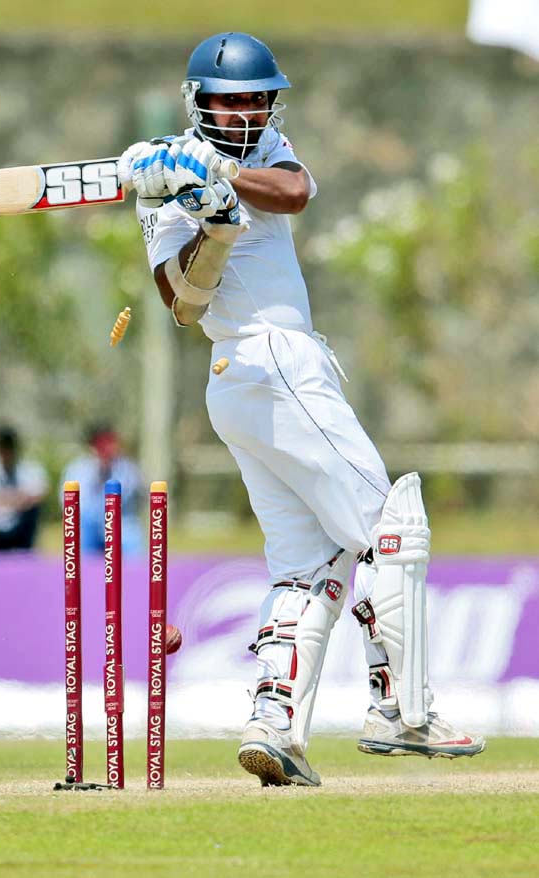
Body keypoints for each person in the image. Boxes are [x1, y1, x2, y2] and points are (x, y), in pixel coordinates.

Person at [118, 32, 485, 787]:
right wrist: (210, 222)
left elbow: (295, 192)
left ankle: (275, 724)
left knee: (308, 565)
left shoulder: (259, 153)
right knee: (392, 527)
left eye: (259, 98)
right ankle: (403, 711)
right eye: (233, 100)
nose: (248, 111)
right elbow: (184, 304)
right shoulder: (164, 187)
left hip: (252, 385)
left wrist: (218, 175)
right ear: (200, 102)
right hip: (266, 361)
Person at [61, 424, 144, 554]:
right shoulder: (77, 468)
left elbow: (130, 496)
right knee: (83, 532)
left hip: (122, 523)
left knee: (134, 545)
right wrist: (98, 471)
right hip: (88, 525)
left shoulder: (128, 468)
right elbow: (70, 503)